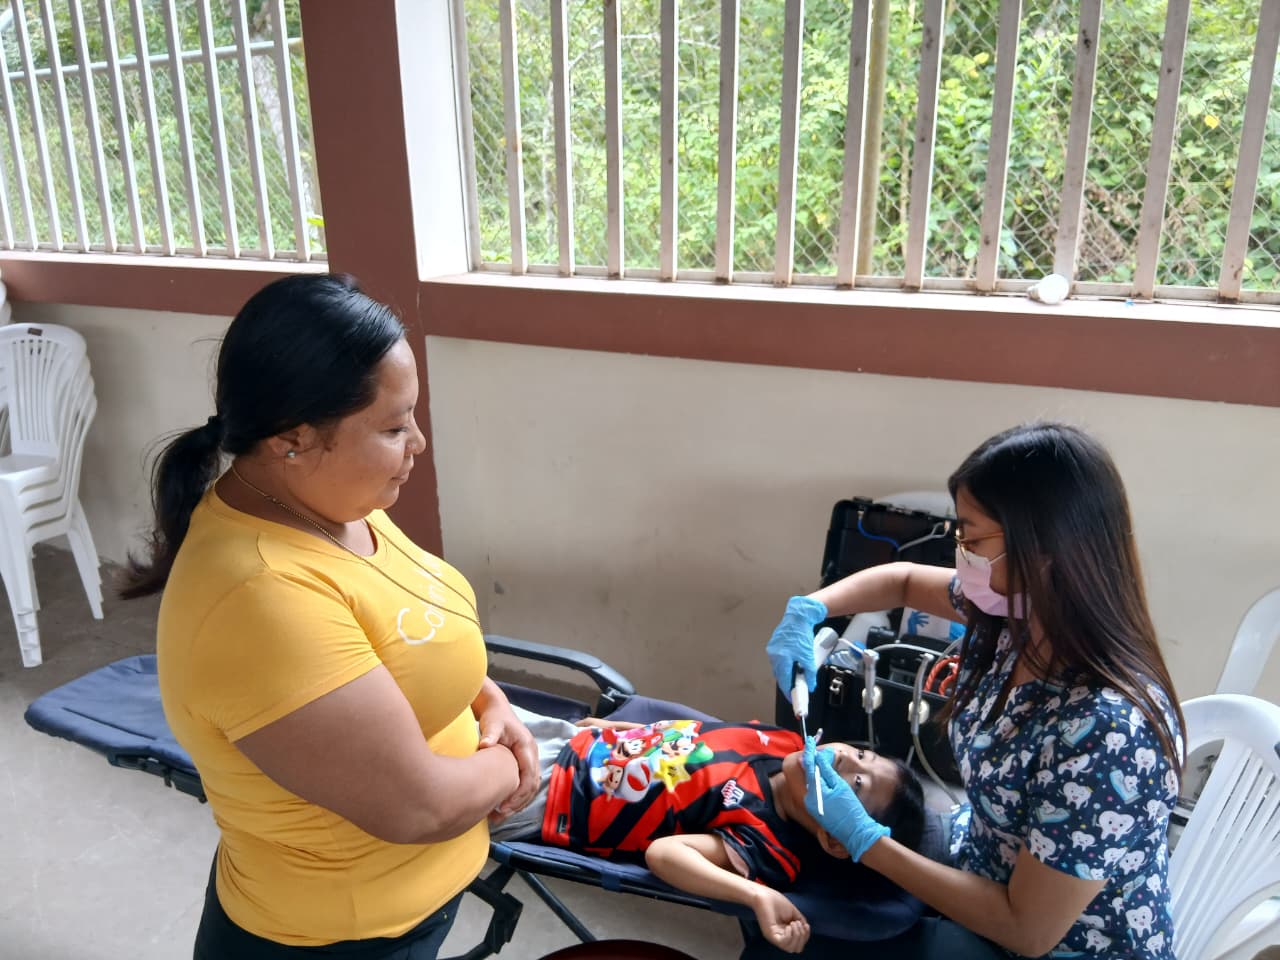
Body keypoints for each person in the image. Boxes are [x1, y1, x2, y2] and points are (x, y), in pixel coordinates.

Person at [122, 274, 540, 959]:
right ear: (292, 438)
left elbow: (411, 628)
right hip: (336, 937)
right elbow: (420, 805)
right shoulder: (259, 597)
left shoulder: (334, 505)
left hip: (409, 905)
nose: (418, 442)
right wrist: (514, 762)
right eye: (394, 426)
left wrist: (489, 701)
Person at [764, 422, 1184, 960]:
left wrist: (868, 841)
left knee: (800, 936)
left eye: (972, 538)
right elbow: (904, 581)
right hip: (979, 856)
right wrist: (812, 609)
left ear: (1044, 551)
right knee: (793, 888)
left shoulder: (1109, 733)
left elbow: (1027, 931)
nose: (959, 553)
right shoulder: (1015, 617)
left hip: (1054, 945)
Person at [491, 706, 928, 954]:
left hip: (549, 797)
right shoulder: (785, 744)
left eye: (856, 783)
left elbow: (665, 855)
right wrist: (621, 729)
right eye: (861, 755)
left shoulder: (766, 842)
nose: (844, 759)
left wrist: (756, 895)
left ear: (834, 838)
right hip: (570, 740)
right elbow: (696, 739)